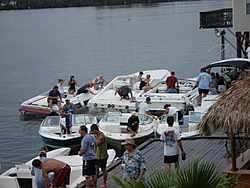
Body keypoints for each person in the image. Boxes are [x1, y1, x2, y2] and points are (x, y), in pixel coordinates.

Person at [90, 124, 109, 188]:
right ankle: (94, 181)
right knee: (96, 169)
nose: (92, 132)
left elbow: (96, 144)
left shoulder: (101, 137)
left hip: (102, 156)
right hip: (97, 155)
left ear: (95, 130)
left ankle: (104, 183)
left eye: (92, 131)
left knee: (103, 170)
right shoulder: (97, 135)